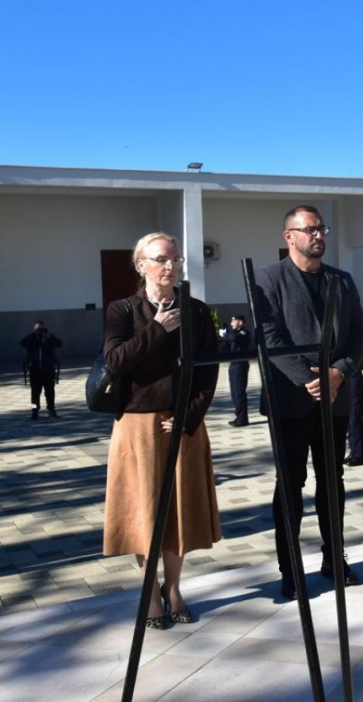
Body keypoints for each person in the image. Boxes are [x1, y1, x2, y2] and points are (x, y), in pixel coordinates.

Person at [102, 232, 220, 629]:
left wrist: (190, 416)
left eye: (175, 260)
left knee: (178, 511)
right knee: (144, 512)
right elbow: (116, 362)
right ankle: (150, 592)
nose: (170, 267)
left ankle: (173, 587)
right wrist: (157, 328)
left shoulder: (198, 311)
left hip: (181, 421)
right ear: (141, 265)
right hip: (137, 425)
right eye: (160, 259)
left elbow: (208, 371)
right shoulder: (122, 310)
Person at [255, 205, 363, 600]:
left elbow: (359, 335)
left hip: (334, 400)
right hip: (289, 400)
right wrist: (310, 380)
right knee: (290, 486)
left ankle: (333, 558)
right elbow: (269, 338)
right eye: (309, 229)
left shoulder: (342, 280)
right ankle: (291, 569)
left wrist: (338, 372)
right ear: (289, 237)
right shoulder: (269, 279)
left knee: (331, 483)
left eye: (322, 228)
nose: (318, 235)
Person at [20, 321, 62, 419]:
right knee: (35, 393)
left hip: (48, 370)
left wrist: (48, 338)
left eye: (42, 329)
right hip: (35, 371)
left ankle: (51, 410)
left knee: (50, 392)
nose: (40, 331)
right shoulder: (31, 339)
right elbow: (22, 343)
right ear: (34, 330)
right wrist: (34, 336)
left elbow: (59, 344)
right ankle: (34, 411)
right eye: (38, 329)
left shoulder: (49, 338)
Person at [223, 314, 251, 427]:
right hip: (233, 364)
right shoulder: (234, 334)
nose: (231, 323)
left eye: (233, 321)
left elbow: (234, 338)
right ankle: (239, 416)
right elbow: (228, 344)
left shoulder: (244, 333)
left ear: (240, 322)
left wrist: (227, 333)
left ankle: (242, 419)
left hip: (240, 365)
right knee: (234, 393)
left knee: (239, 392)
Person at [345, 371, 363, 466]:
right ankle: (353, 451)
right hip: (345, 378)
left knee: (354, 417)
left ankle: (359, 455)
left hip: (353, 375)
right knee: (349, 420)